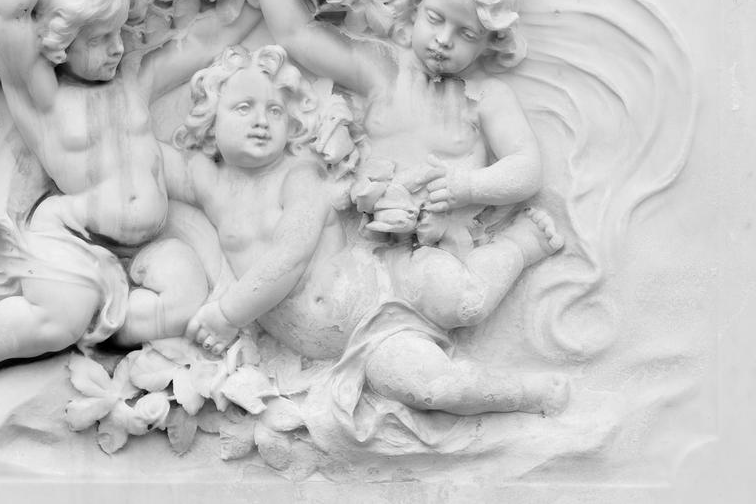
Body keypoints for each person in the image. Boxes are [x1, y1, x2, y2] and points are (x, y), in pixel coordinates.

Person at [0, 0, 260, 408]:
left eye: (119, 35)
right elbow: (6, 15)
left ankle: (104, 324)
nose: (116, 49)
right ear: (60, 42)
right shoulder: (44, 99)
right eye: (99, 40)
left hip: (144, 246)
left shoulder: (133, 83)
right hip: (72, 238)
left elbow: (203, 43)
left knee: (185, 300)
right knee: (57, 321)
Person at [172, 45, 568, 416]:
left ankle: (522, 244)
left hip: (387, 286)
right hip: (366, 343)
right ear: (210, 116)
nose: (261, 121)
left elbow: (290, 256)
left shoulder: (299, 177)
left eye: (275, 110)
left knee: (466, 301)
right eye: (244, 107)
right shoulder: (210, 185)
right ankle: (526, 393)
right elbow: (147, 162)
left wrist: (227, 314)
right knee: (432, 389)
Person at [250, 0, 551, 260]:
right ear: (416, 6)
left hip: (444, 245)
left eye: (466, 34)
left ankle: (521, 247)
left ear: (490, 42)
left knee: (458, 290)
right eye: (435, 19)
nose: (443, 39)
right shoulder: (385, 70)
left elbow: (527, 168)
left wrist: (467, 187)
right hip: (371, 240)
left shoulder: (488, 96)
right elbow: (298, 36)